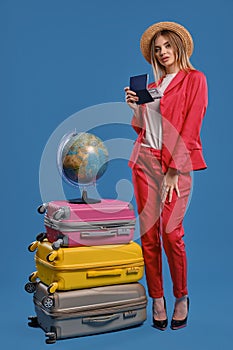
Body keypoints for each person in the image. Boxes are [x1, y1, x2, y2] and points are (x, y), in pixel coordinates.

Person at [124, 21, 208, 331]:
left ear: (179, 47)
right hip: (144, 160)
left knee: (172, 234)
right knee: (148, 236)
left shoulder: (194, 80)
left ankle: (181, 297)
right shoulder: (152, 87)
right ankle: (157, 299)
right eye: (157, 49)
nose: (162, 53)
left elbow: (191, 125)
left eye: (167, 46)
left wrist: (175, 169)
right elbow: (143, 129)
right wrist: (134, 107)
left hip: (174, 165)